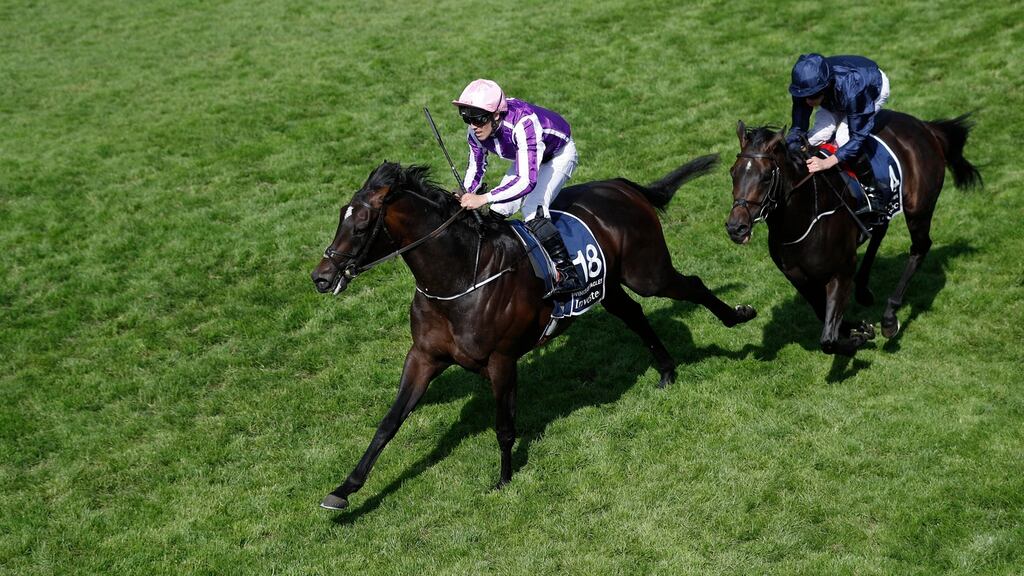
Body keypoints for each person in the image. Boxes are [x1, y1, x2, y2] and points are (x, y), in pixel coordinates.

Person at [452, 78, 583, 296]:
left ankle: (569, 274)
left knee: (532, 210)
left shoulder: (523, 124)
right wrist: (466, 192)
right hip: (528, 155)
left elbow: (526, 181)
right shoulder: (475, 132)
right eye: (466, 118)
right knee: (498, 211)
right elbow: (476, 167)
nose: (473, 125)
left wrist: (483, 198)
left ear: (496, 115)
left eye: (478, 119)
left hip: (557, 155)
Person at [785, 53, 890, 216]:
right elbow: (798, 127)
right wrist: (790, 146)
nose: (807, 102)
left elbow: (857, 136)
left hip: (870, 88)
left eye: (812, 97)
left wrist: (827, 163)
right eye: (803, 97)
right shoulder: (804, 89)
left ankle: (874, 195)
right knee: (814, 137)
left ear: (824, 87)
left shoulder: (853, 88)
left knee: (842, 137)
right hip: (835, 97)